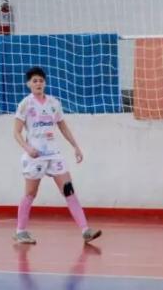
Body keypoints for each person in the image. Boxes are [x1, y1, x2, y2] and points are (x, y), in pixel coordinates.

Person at [13, 67, 102, 245]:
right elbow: (16, 132)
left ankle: (85, 230)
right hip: (35, 155)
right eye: (35, 80)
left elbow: (62, 126)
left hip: (54, 154)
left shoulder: (54, 103)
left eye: (41, 80)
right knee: (31, 193)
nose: (38, 83)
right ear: (28, 84)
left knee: (68, 189)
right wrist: (27, 147)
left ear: (45, 83)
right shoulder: (25, 104)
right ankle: (20, 231)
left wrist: (75, 146)